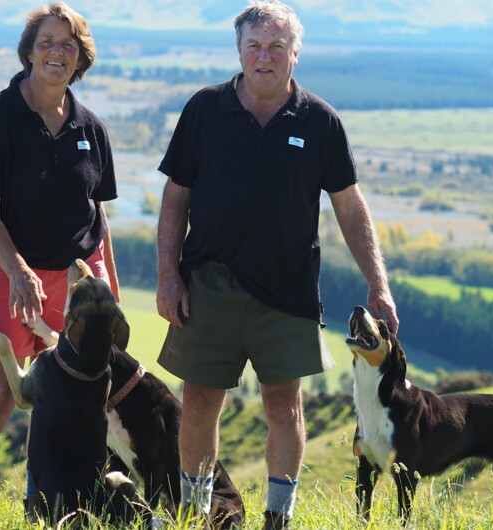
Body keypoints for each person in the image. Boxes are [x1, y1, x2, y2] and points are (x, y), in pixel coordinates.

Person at [155, 1, 399, 528]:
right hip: (207, 283)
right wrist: (168, 274)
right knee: (198, 401)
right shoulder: (204, 109)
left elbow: (350, 209)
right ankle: (193, 516)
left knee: (284, 404)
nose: (264, 57)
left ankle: (277, 519)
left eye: (276, 47)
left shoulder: (320, 121)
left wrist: (379, 284)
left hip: (288, 290)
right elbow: (175, 196)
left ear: (295, 54)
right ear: (239, 52)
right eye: (254, 46)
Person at [0, 2, 119, 527]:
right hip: (0, 266)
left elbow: (96, 217)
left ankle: (46, 507)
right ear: (29, 52)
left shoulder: (90, 128)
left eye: (68, 44)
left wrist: (106, 289)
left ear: (81, 58)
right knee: (2, 391)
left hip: (71, 276)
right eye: (47, 42)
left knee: (67, 392)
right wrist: (18, 271)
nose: (56, 52)